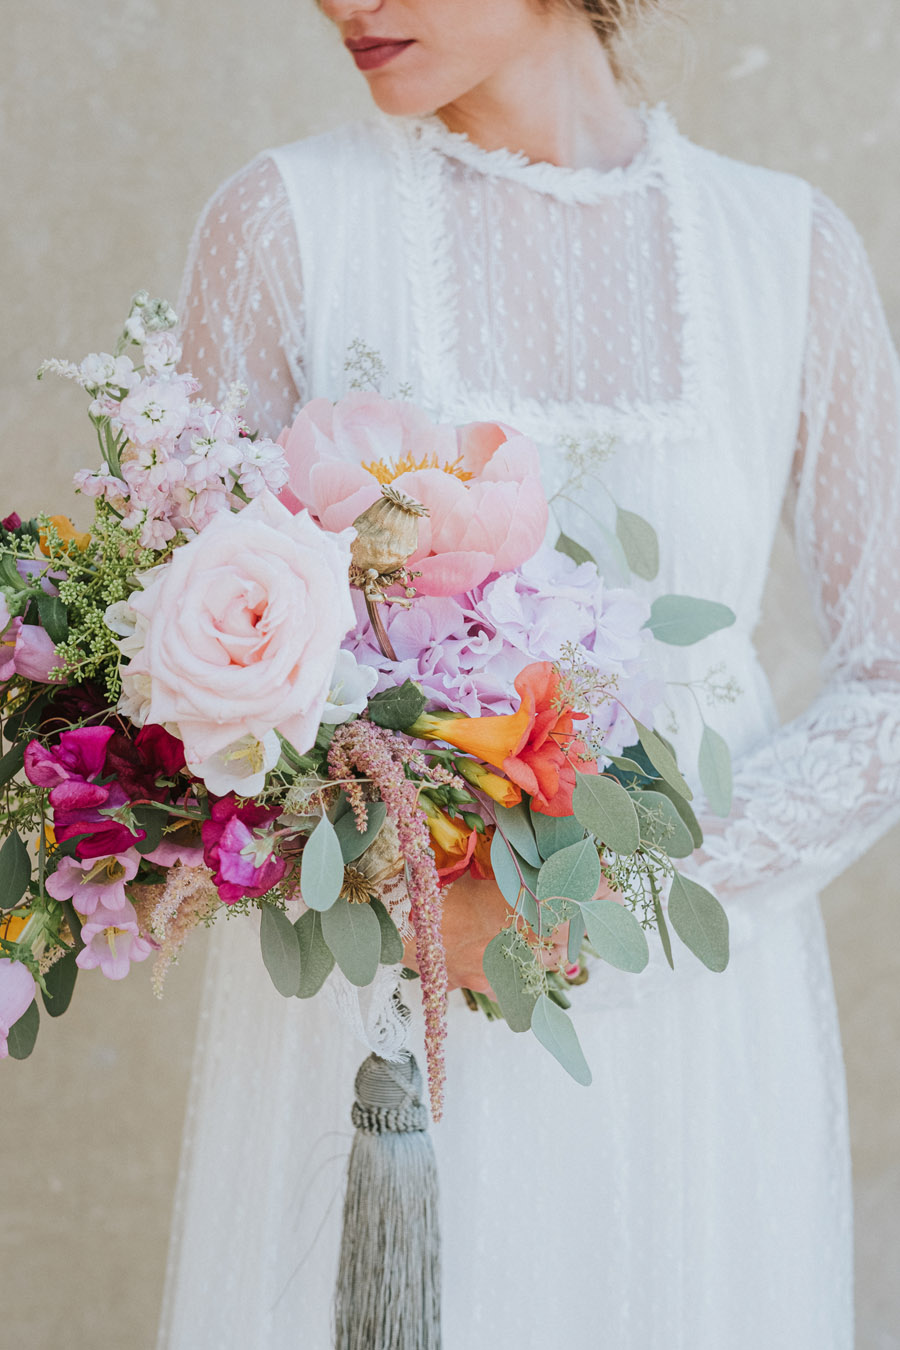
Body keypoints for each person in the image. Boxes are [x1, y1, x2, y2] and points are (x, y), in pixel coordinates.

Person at [156, 2, 900, 1346]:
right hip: (380, 1036)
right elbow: (194, 674)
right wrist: (389, 856)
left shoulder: (784, 254)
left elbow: (895, 680)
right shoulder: (283, 228)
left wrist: (622, 895)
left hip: (694, 1042)